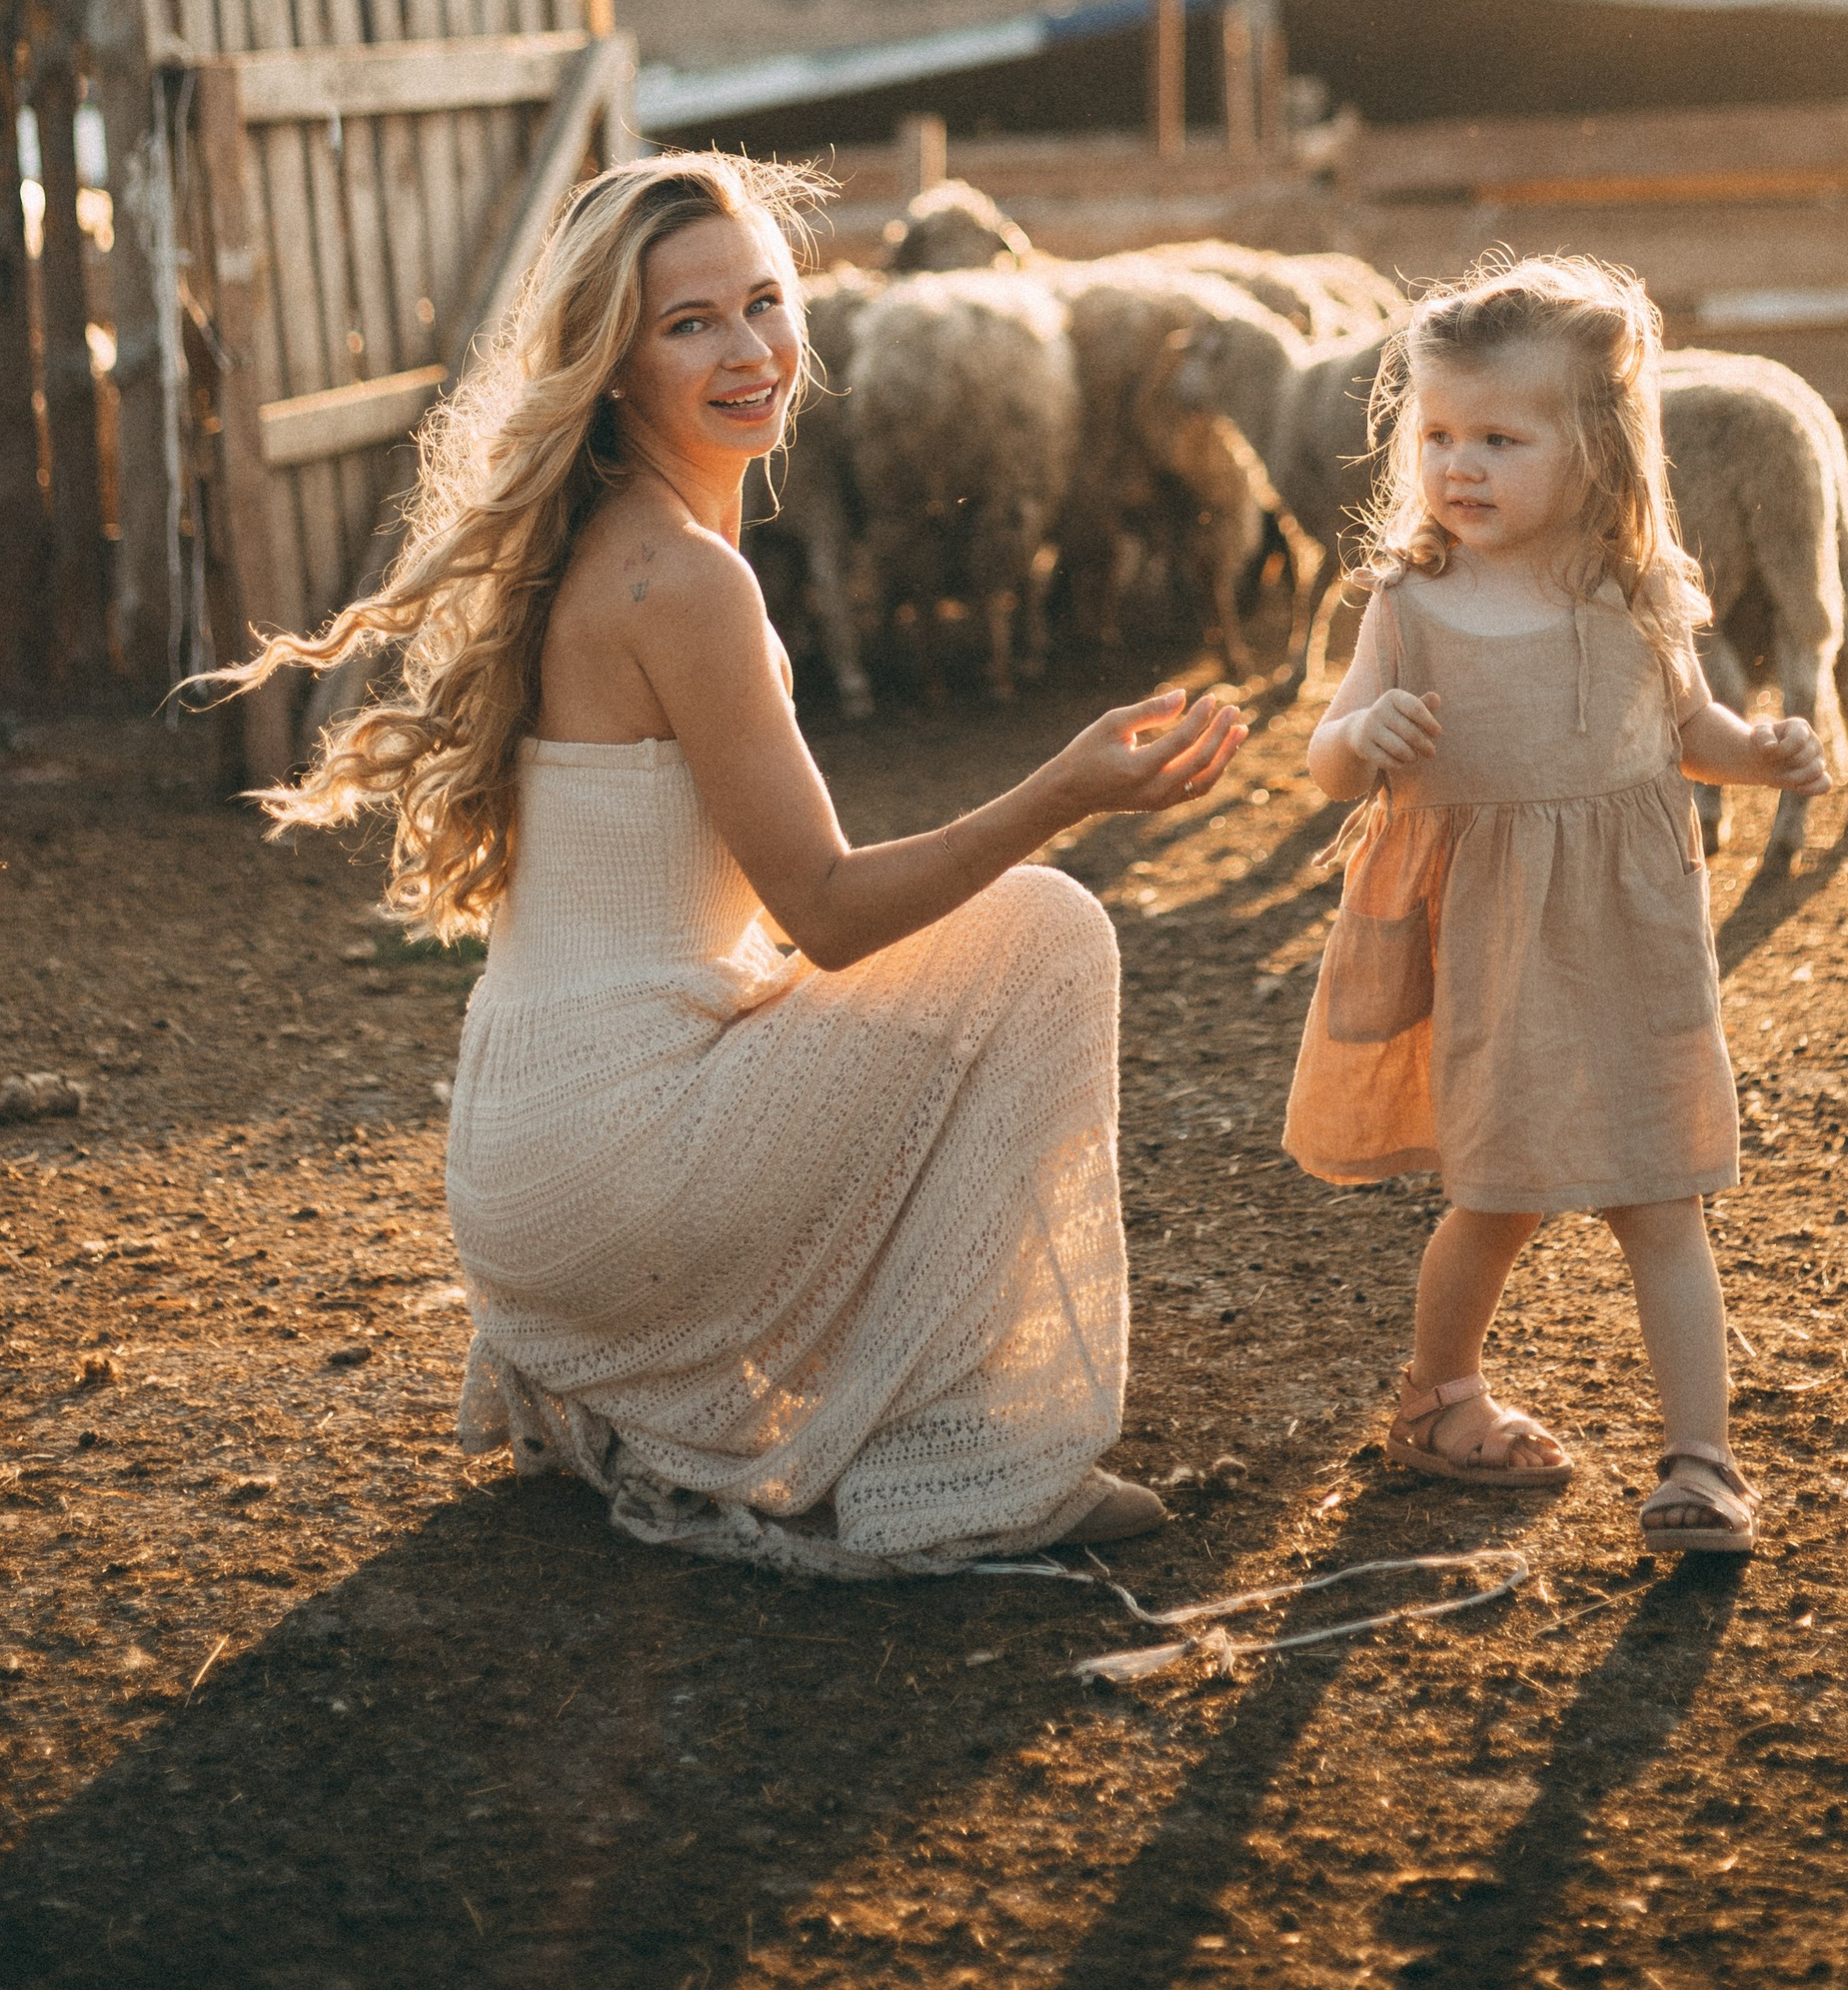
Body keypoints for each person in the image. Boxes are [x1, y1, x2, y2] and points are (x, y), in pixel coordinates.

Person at [240, 150, 1243, 1579]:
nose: (751, 349)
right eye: (688, 322)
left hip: (528, 1175)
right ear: (611, 362)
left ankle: (658, 1371)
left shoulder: (593, 541)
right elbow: (827, 915)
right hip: (614, 1170)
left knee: (932, 961)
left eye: (766, 302)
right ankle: (968, 1460)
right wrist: (1061, 792)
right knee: (1045, 930)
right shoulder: (686, 581)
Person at [1286, 253, 1830, 1558]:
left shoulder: (1636, 596)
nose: (1457, 465)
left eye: (1499, 437)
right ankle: (1439, 1397)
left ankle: (1701, 1463)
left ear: (1599, 448)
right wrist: (1369, 731)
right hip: (1494, 951)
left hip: (1630, 940)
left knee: (1662, 1193)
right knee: (1499, 1197)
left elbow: (1686, 730)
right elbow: (1321, 759)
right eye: (1436, 435)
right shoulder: (1410, 604)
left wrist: (1758, 754)